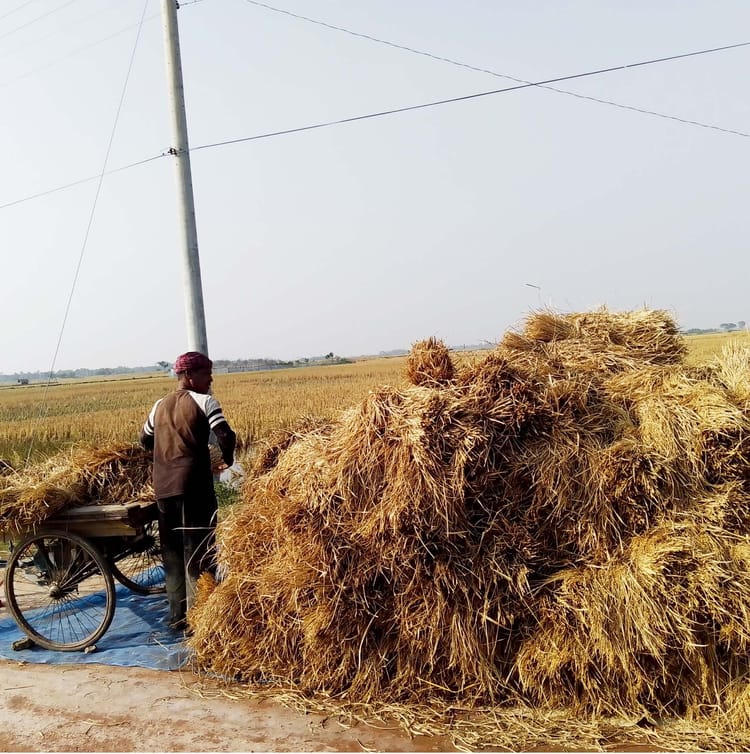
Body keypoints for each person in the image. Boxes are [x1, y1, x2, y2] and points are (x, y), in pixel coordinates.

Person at [140, 351, 236, 631]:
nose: (210, 379)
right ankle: (201, 615)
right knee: (200, 548)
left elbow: (145, 439)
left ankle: (175, 616)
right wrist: (226, 459)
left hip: (164, 489)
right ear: (190, 376)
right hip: (194, 487)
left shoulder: (159, 405)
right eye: (207, 374)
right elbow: (224, 435)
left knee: (171, 552)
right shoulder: (204, 401)